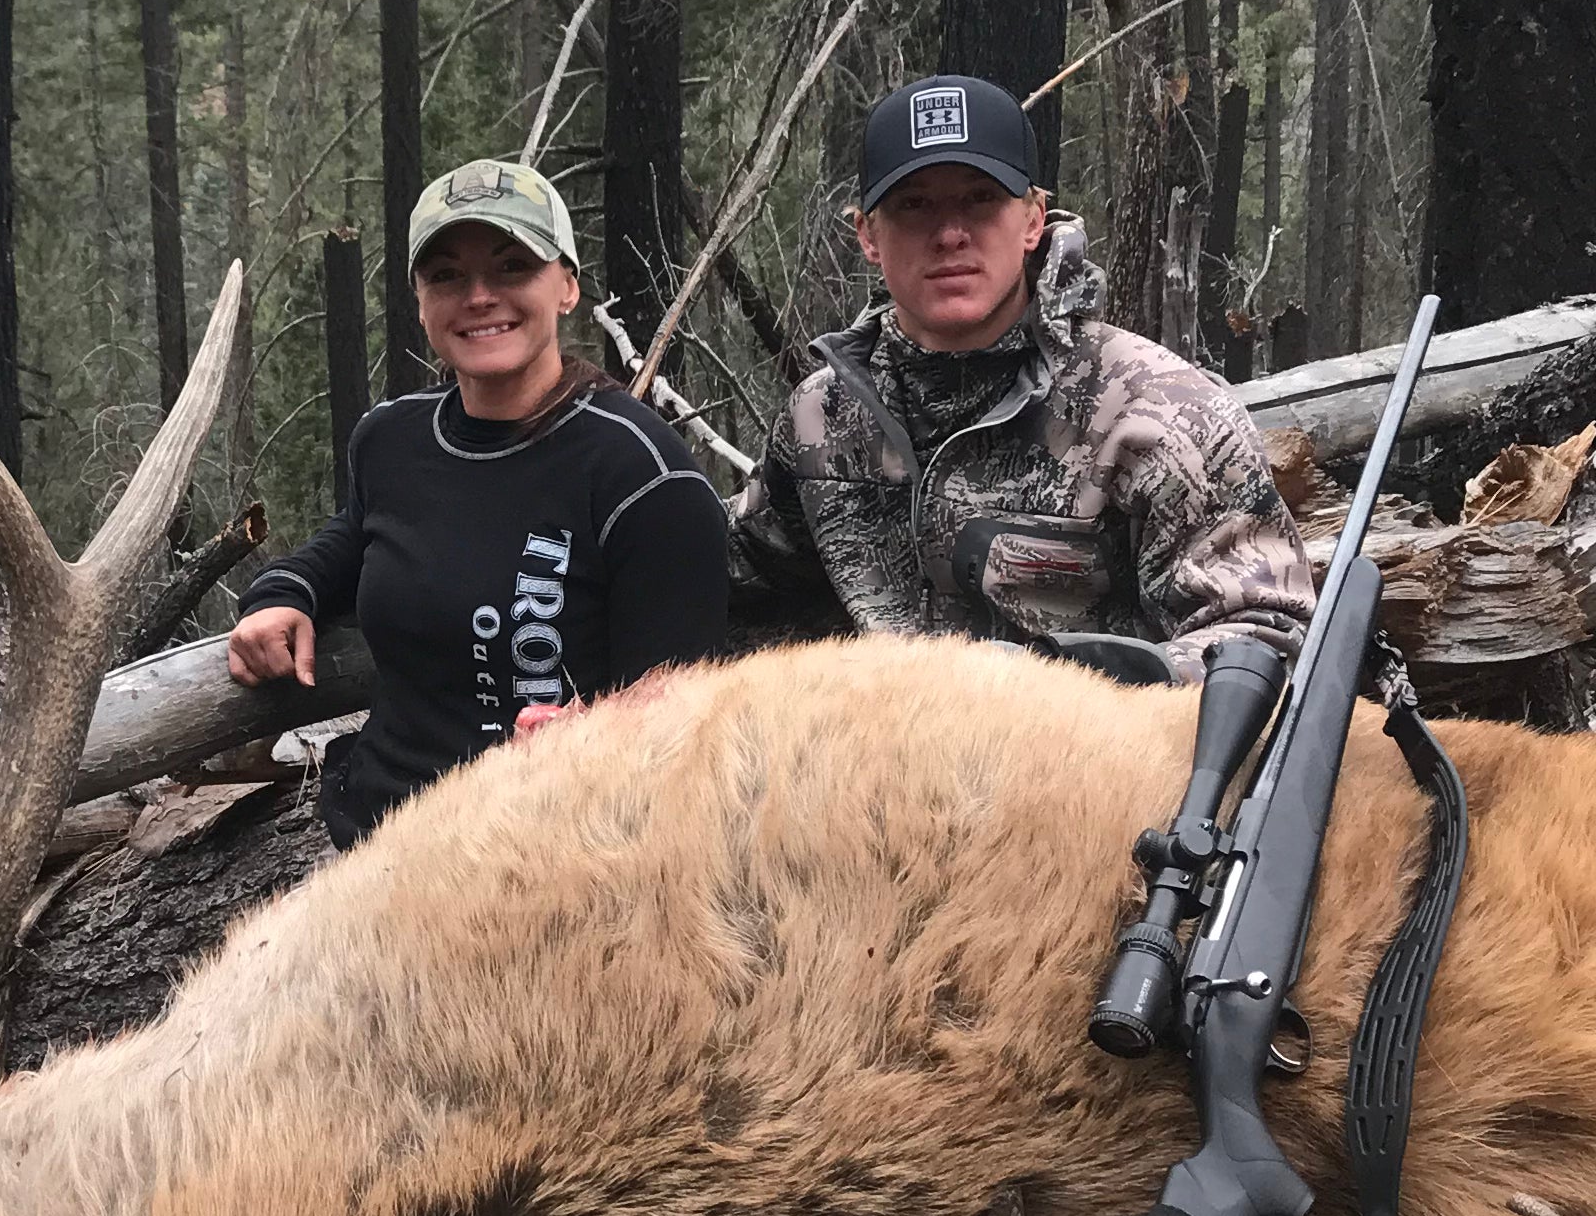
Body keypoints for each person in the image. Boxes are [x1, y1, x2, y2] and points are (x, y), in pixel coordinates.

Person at [731, 72, 1312, 680]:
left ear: (1034, 219)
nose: (950, 234)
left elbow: (1267, 638)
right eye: (915, 205)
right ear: (868, 235)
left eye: (981, 198)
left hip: (1092, 737)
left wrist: (1070, 682)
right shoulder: (822, 418)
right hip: (878, 739)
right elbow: (736, 572)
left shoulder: (1158, 414)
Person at [228, 156, 729, 846]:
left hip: (548, 853)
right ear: (420, 302)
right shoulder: (392, 439)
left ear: (567, 286)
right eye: (446, 276)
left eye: (512, 267)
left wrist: (591, 741)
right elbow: (355, 535)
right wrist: (283, 593)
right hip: (377, 835)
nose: (480, 296)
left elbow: (677, 723)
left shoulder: (643, 476)